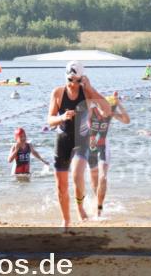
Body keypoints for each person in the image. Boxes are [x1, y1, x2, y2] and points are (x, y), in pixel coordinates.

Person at [47, 61, 111, 228]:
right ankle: (66, 220)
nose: (73, 84)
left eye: (76, 80)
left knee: (76, 175)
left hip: (81, 141)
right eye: (70, 79)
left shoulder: (86, 93)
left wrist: (90, 89)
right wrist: (61, 118)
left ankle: (80, 207)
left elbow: (107, 110)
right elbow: (49, 121)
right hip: (62, 141)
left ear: (82, 79)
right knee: (61, 186)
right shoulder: (58, 93)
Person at [88, 92, 131, 217]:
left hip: (103, 147)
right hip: (89, 148)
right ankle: (97, 202)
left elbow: (127, 120)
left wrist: (118, 104)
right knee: (94, 182)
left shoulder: (111, 113)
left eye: (110, 109)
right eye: (105, 109)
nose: (107, 112)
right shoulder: (92, 110)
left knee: (103, 178)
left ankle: (99, 209)